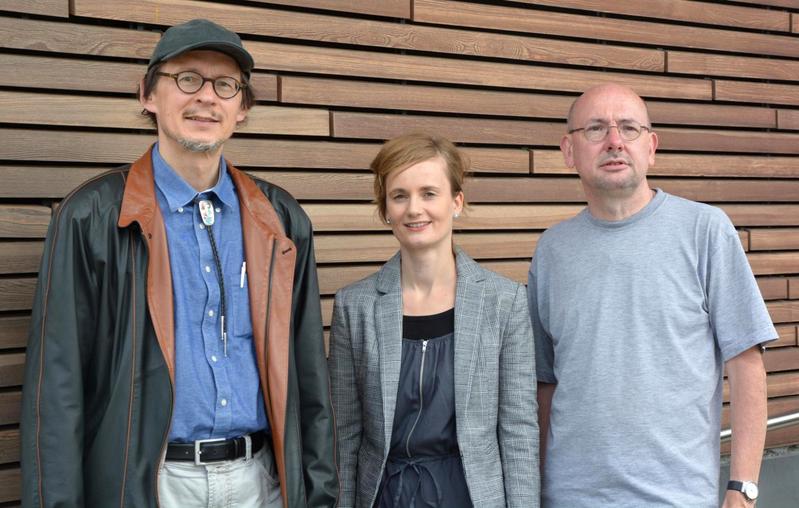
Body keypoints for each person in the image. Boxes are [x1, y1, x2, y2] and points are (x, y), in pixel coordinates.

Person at [20, 18, 337, 507]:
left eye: (226, 85)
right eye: (187, 78)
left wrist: (319, 495)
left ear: (243, 109)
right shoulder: (92, 216)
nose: (207, 97)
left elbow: (309, 379)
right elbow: (56, 393)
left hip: (262, 484)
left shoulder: (281, 220)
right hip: (152, 486)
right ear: (148, 94)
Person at [528, 83, 776, 507]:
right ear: (569, 151)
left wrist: (742, 490)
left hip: (676, 497)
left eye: (629, 128)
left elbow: (746, 363)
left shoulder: (705, 232)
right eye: (595, 129)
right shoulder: (553, 250)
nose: (614, 142)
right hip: (569, 498)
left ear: (652, 147)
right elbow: (545, 383)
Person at [328, 132, 539, 508]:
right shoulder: (353, 307)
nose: (414, 209)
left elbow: (518, 433)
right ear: (385, 209)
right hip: (384, 497)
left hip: (471, 496)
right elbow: (344, 435)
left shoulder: (504, 302)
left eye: (429, 193)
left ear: (456, 201)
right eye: (399, 195)